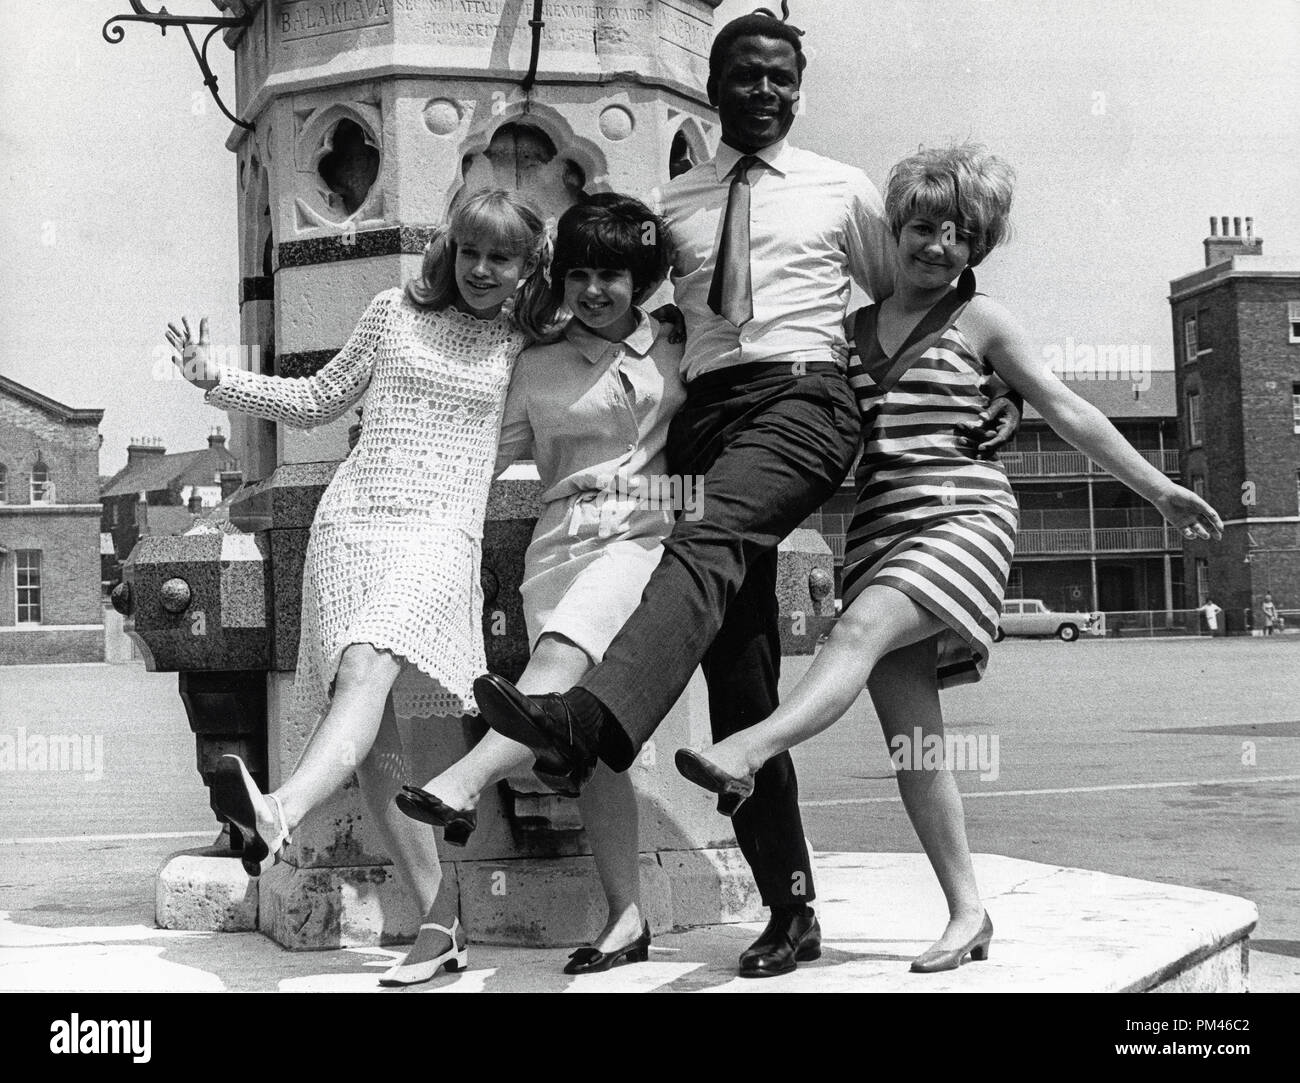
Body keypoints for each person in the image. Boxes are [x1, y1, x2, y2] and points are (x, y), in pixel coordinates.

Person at [465, 11, 1021, 978]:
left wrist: (997, 388)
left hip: (805, 396)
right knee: (741, 672)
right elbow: (614, 302)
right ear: (715, 86)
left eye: (781, 79)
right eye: (747, 76)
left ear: (796, 91)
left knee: (705, 539)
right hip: (711, 413)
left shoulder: (842, 190)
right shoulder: (670, 203)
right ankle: (790, 906)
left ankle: (589, 718)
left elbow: (920, 300)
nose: (765, 92)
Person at [673, 143, 1225, 972]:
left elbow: (1066, 407)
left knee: (855, 632)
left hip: (963, 512)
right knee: (915, 747)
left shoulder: (983, 321)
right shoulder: (847, 330)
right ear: (892, 231)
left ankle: (744, 751)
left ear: (979, 246)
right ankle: (969, 915)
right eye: (923, 227)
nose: (938, 246)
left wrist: (1160, 489)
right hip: (880, 524)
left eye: (959, 234)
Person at [163, 189, 549, 986]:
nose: (482, 269)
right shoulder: (390, 311)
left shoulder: (525, 345)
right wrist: (215, 379)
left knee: (369, 666)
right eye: (471, 250)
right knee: (372, 728)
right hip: (353, 520)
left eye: (501, 257)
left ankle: (281, 810)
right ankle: (441, 924)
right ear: (450, 248)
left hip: (441, 533)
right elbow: (314, 400)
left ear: (525, 267)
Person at [393, 193, 682, 973]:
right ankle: (626, 917)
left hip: (647, 535)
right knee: (591, 741)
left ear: (643, 278)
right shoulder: (535, 367)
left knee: (556, 657)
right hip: (557, 546)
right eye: (581, 273)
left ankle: (462, 779)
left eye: (613, 275)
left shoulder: (680, 349)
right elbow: (475, 458)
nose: (594, 290)